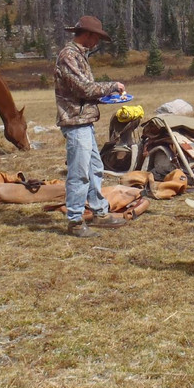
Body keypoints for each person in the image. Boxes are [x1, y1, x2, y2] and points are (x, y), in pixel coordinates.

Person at [55, 15, 128, 238]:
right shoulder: (68, 56)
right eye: (96, 38)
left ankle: (99, 212)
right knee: (79, 173)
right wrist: (112, 87)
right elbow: (84, 89)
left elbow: (82, 92)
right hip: (75, 123)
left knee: (94, 168)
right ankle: (75, 220)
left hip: (84, 121)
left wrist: (104, 95)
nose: (97, 43)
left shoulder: (79, 56)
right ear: (87, 35)